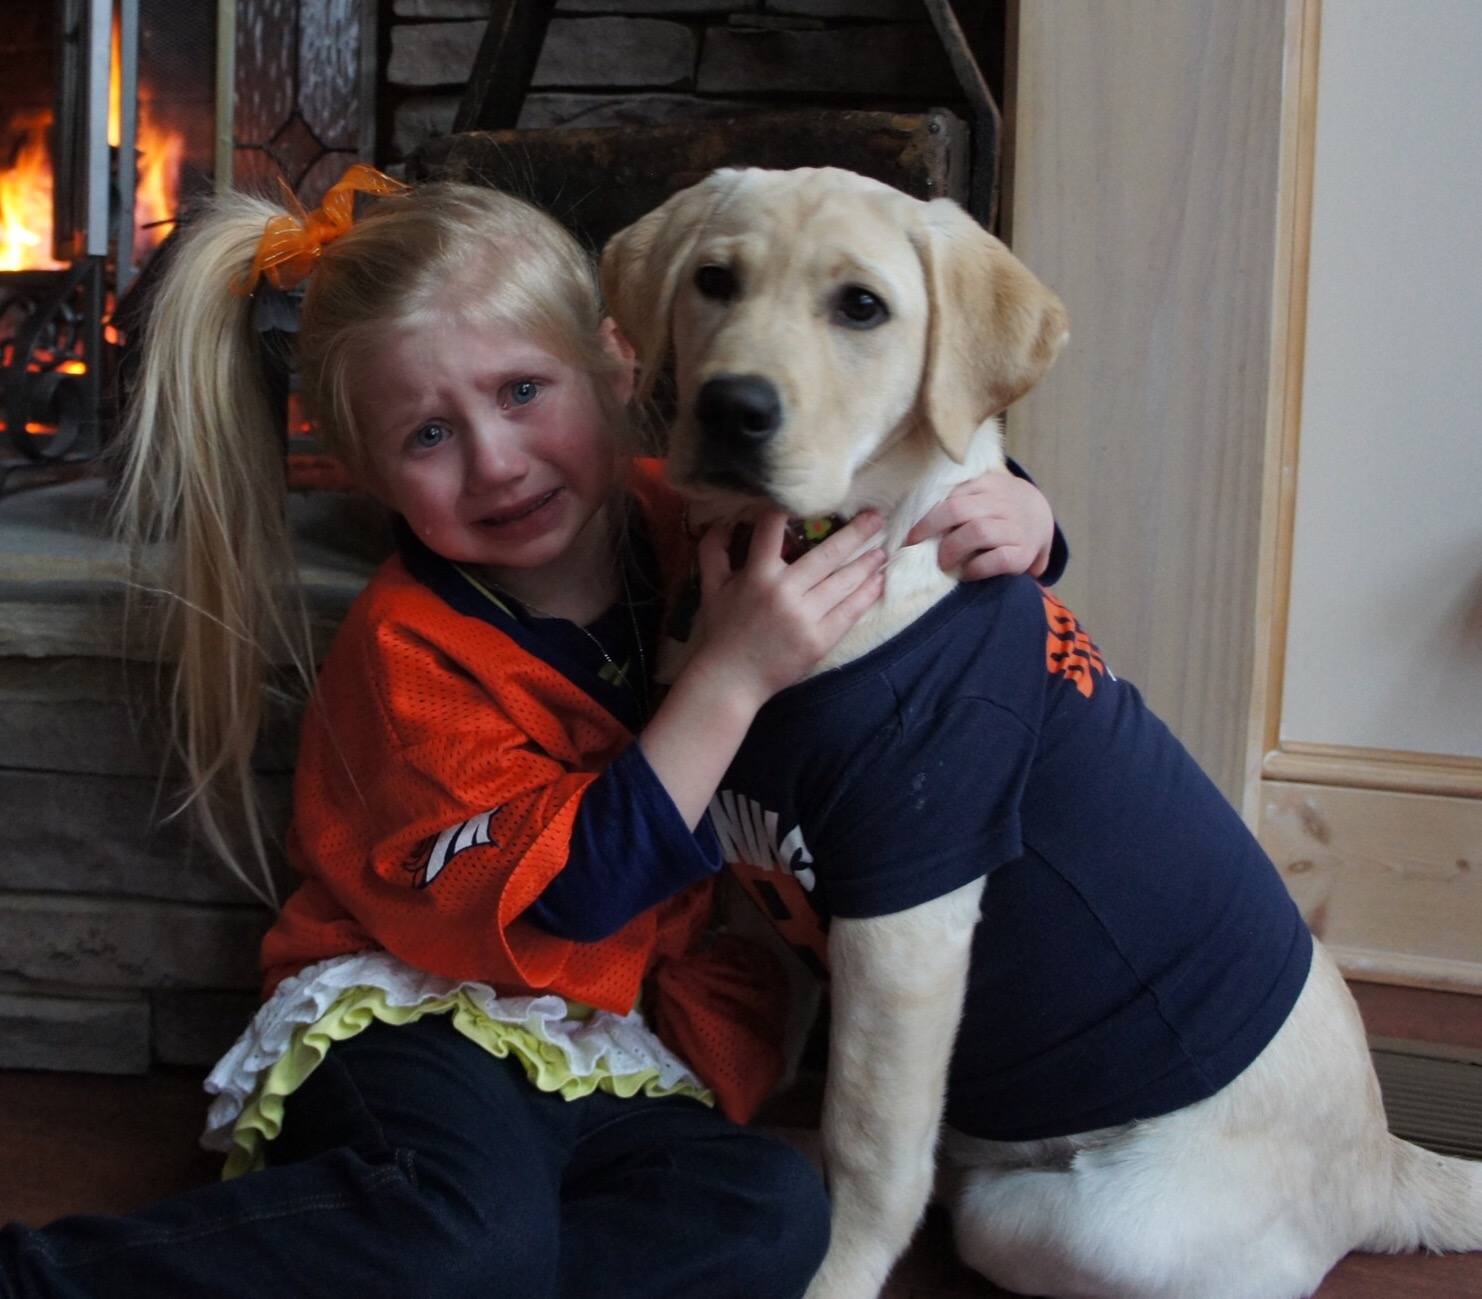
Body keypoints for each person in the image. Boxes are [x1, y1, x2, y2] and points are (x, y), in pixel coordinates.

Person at [0, 168, 1060, 1299]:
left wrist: (1023, 514)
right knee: (466, 1234)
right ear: (363, 469)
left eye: (521, 391)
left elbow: (885, 506)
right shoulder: (409, 653)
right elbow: (570, 892)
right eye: (428, 434)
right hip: (423, 1013)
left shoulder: (686, 515)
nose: (496, 462)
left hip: (608, 1037)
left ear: (618, 362)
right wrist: (730, 678)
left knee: (769, 1211)